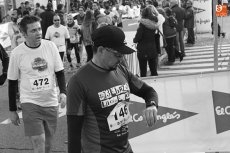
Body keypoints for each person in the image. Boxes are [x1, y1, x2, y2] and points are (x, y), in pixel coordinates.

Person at [67, 25, 159, 153]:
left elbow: (149, 92)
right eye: (117, 54)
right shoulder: (78, 81)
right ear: (101, 50)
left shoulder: (120, 70)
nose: (121, 58)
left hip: (125, 149)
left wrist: (152, 105)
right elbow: (74, 134)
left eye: (122, 54)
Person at [7, 15, 66, 153]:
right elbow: (12, 82)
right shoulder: (17, 53)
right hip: (30, 102)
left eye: (39, 29)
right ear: (24, 34)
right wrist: (12, 110)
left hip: (50, 101)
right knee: (39, 142)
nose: (38, 33)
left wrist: (63, 92)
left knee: (48, 145)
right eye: (33, 30)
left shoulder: (51, 46)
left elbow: (60, 72)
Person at [133, 6, 159, 77]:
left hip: (143, 49)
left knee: (143, 71)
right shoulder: (154, 24)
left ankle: (145, 86)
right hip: (152, 48)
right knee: (153, 70)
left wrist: (134, 39)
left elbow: (137, 39)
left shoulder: (142, 26)